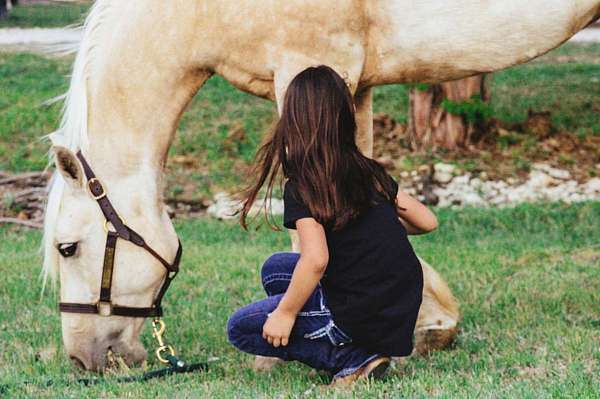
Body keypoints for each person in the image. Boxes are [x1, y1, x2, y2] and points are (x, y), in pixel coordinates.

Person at [227, 65, 438, 385]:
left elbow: (316, 260)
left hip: (361, 310)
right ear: (344, 115)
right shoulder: (368, 170)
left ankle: (354, 357)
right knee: (277, 268)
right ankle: (346, 340)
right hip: (398, 305)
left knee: (241, 328)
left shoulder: (303, 185)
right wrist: (378, 230)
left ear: (294, 120)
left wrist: (284, 314)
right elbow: (427, 221)